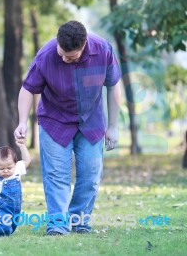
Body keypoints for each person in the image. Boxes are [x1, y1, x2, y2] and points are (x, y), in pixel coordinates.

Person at [14, 20, 121, 235]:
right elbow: (28, 89)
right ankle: (58, 225)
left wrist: (114, 126)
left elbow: (114, 86)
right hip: (55, 121)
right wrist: (22, 122)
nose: (63, 58)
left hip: (91, 122)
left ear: (84, 45)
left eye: (70, 56)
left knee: (91, 175)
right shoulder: (46, 55)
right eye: (61, 53)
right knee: (56, 175)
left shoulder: (103, 50)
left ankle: (79, 220)